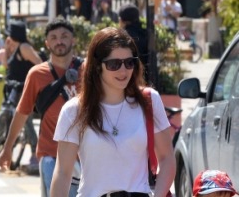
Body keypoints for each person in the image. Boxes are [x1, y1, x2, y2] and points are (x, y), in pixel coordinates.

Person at [50, 27, 174, 197]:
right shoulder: (74, 110)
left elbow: (167, 158)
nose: (123, 71)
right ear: (97, 66)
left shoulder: (149, 101)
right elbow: (63, 172)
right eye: (114, 64)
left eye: (129, 62)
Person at [0, 18, 82, 197]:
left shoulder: (88, 69)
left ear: (73, 40)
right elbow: (22, 111)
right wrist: (7, 148)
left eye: (64, 36)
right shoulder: (37, 74)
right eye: (54, 37)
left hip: (86, 156)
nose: (59, 41)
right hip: (51, 154)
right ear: (47, 43)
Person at [119, 5, 149, 74]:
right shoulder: (145, 33)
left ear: (122, 20)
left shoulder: (123, 36)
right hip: (146, 75)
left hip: (130, 75)